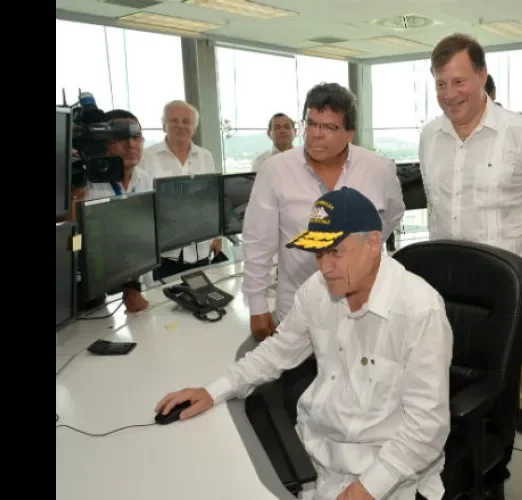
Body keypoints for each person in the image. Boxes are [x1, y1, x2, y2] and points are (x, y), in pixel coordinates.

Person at [155, 187, 453, 500]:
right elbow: (275, 352)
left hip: (385, 472)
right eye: (318, 253)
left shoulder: (419, 310)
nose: (324, 267)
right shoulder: (318, 290)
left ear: (373, 244)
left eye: (335, 251)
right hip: (314, 454)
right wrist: (212, 390)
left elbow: (427, 426)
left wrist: (369, 487)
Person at [419, 33, 522, 445]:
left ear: (482, 75)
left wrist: (517, 268)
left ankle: (493, 474)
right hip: (445, 294)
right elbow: (436, 210)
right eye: (441, 84)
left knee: (496, 397)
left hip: (504, 295)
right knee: (442, 387)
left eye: (459, 81)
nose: (450, 94)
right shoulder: (430, 137)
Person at [242, 83, 405, 342]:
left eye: (330, 127)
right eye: (312, 123)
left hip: (362, 304)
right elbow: (257, 242)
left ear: (349, 133)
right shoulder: (275, 170)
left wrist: (361, 250)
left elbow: (392, 215)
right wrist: (257, 307)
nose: (317, 134)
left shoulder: (378, 169)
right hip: (297, 306)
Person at [72, 109, 152, 313]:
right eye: (119, 137)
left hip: (118, 283)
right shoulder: (81, 180)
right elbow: (69, 242)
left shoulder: (143, 180)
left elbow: (136, 238)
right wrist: (74, 195)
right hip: (77, 290)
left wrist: (132, 287)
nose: (131, 144)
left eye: (136, 136)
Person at [138, 100, 223, 280]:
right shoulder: (146, 156)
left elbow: (212, 199)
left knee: (201, 296)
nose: (180, 126)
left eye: (186, 121)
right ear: (163, 125)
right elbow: (140, 203)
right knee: (164, 303)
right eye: (173, 120)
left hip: (200, 246)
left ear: (194, 127)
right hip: (162, 251)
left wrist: (216, 235)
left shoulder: (205, 156)